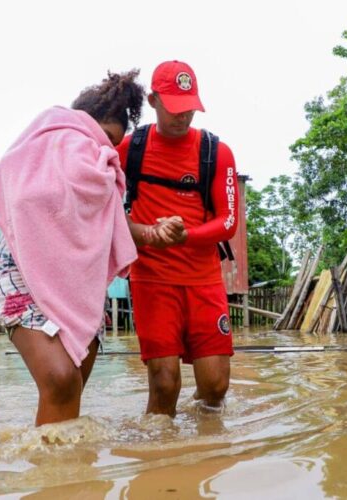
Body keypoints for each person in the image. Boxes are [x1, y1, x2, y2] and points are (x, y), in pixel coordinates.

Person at [0, 70, 179, 427]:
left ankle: (68, 474)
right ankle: (50, 472)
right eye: (104, 137)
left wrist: (153, 232)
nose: (106, 149)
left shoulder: (103, 177)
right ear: (78, 123)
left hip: (79, 287)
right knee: (60, 379)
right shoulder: (29, 154)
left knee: (71, 386)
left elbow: (113, 229)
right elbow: (23, 201)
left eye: (113, 144)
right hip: (24, 278)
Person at [116, 60, 239, 417]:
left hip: (204, 281)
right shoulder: (128, 149)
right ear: (153, 100)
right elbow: (97, 202)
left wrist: (186, 236)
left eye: (189, 108)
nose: (182, 117)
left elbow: (228, 221)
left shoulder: (216, 152)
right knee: (165, 383)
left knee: (216, 387)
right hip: (152, 280)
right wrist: (146, 234)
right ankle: (159, 460)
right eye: (173, 108)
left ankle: (204, 448)